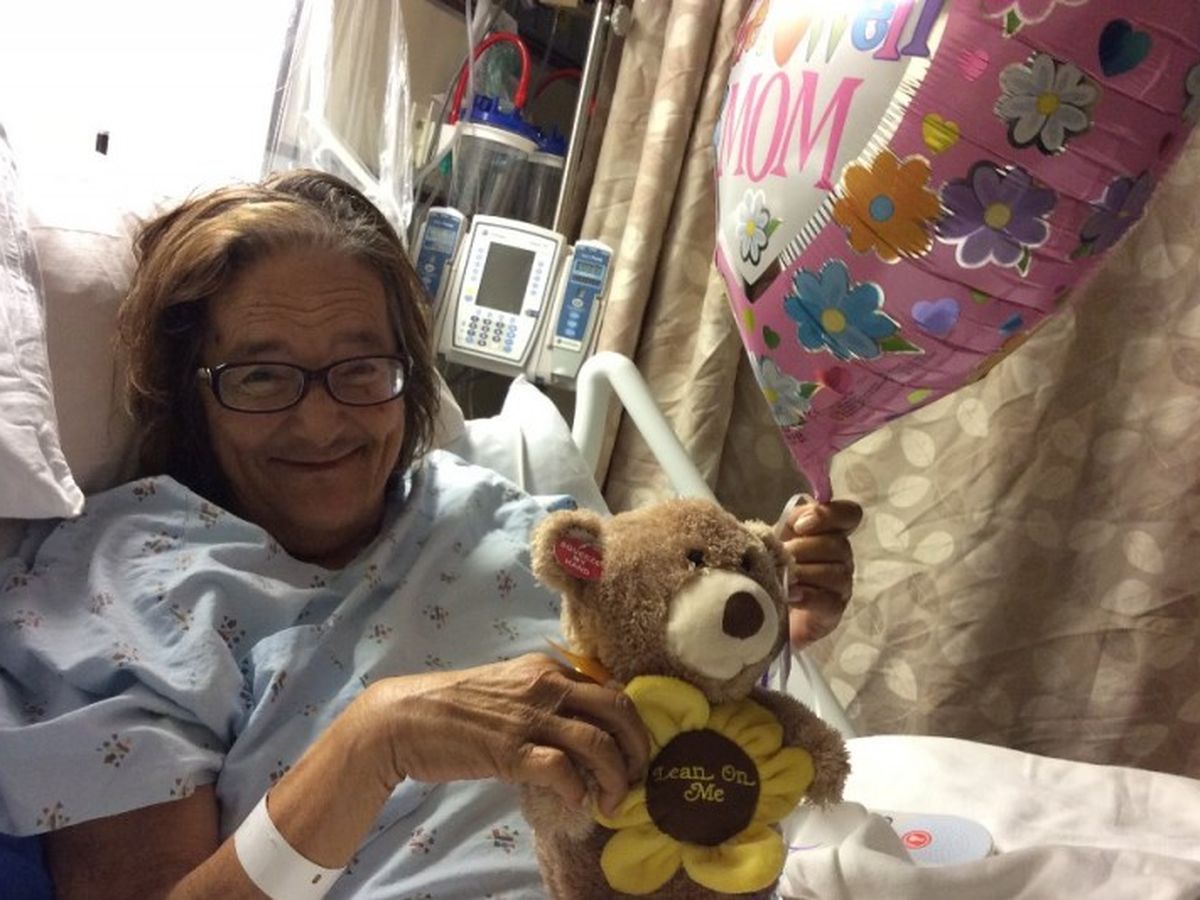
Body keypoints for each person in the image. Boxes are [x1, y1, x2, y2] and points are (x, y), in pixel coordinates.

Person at [0, 170, 861, 899]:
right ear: (192, 392)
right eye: (261, 376)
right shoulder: (127, 585)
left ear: (408, 377)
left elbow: (661, 677)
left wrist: (771, 625)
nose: (321, 423)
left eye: (361, 369)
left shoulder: (490, 513)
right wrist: (376, 740)